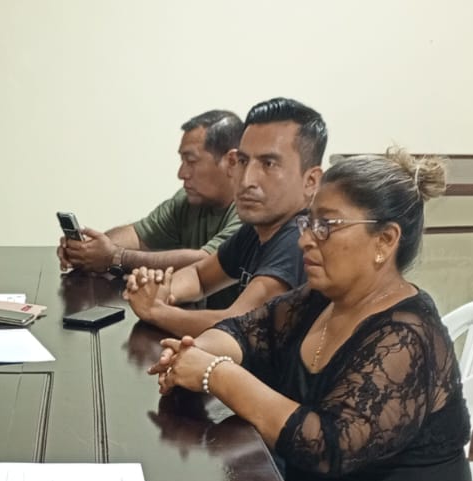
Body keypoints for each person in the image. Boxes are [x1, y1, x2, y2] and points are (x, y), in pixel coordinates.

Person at [147, 148, 473, 481]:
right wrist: (196, 352)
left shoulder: (407, 338)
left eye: (327, 225)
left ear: (385, 241)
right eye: (309, 222)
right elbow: (246, 331)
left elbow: (327, 445)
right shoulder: (321, 301)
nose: (307, 238)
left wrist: (216, 374)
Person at [122, 97, 324, 338]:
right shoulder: (258, 228)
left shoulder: (299, 238)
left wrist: (155, 311)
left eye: (268, 164)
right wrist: (159, 290)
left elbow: (239, 324)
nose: (246, 180)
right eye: (243, 161)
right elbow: (199, 277)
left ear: (311, 181)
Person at [57, 109, 244, 280]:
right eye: (182, 161)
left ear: (232, 161)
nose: (181, 173)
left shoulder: (250, 210)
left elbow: (209, 262)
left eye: (191, 161)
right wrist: (87, 250)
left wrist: (116, 256)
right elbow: (138, 236)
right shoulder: (187, 201)